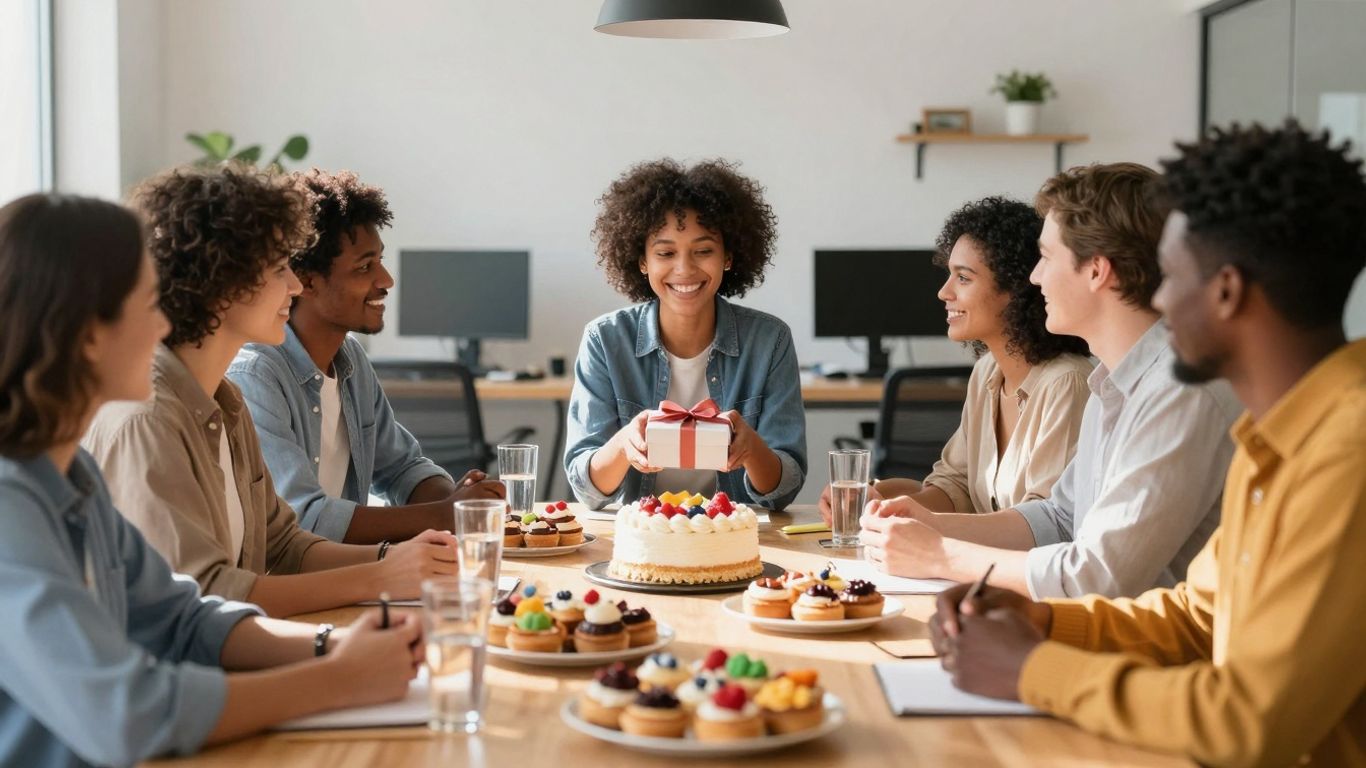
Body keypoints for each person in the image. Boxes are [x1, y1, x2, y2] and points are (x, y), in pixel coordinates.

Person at [930, 121, 1366, 768]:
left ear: (1226, 291)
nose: (1158, 297)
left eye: (1171, 275)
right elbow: (1197, 617)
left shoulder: (1347, 451)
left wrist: (1033, 667)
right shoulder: (1275, 435)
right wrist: (1043, 625)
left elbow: (1250, 721)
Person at [0, 193, 422, 767]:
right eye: (148, 302)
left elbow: (182, 614)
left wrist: (333, 645)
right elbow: (127, 711)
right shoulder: (13, 504)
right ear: (87, 331)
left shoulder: (69, 476)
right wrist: (338, 678)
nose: (164, 320)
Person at [84, 165, 457, 617]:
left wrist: (398, 561)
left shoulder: (226, 402)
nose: (296, 286)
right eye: (281, 267)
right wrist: (381, 577)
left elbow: (283, 544)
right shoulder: (149, 418)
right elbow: (203, 598)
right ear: (222, 281)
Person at [861, 163, 1242, 599]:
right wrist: (928, 525)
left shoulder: (1180, 390)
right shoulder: (1113, 383)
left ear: (1097, 270)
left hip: (1153, 653)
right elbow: (1060, 517)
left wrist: (941, 554)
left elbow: (1096, 575)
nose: (1034, 277)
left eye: (1045, 258)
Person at [227, 168, 503, 545]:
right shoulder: (256, 377)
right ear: (306, 281)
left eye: (380, 261)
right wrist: (445, 514)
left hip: (350, 573)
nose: (386, 280)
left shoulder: (351, 362)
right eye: (364, 267)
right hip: (292, 587)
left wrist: (458, 500)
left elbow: (403, 468)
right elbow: (303, 519)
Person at [819, 196, 1092, 524]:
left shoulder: (1067, 383)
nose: (944, 292)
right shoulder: (987, 372)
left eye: (963, 278)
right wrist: (878, 495)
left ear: (1016, 289)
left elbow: (1044, 525)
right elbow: (956, 486)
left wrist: (928, 527)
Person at [565, 158, 807, 509]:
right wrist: (623, 445)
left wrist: (752, 449)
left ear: (728, 256)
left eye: (704, 250)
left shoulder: (770, 341)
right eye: (665, 252)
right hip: (644, 542)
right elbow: (586, 490)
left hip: (733, 539)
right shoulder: (604, 340)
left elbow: (783, 491)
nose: (685, 269)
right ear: (642, 261)